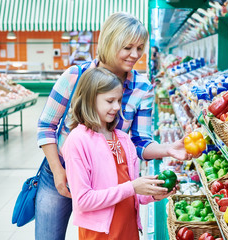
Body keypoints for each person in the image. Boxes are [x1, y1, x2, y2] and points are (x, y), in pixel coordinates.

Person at [36, 12, 191, 240]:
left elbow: (139, 142)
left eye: (139, 48)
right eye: (128, 47)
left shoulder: (142, 88)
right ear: (110, 42)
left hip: (104, 178)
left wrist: (168, 150)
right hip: (60, 169)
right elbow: (46, 126)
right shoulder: (75, 76)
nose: (135, 55)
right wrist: (58, 172)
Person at [61, 67, 173, 239]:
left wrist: (153, 193)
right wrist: (132, 187)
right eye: (110, 100)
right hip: (100, 234)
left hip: (128, 229)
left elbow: (134, 194)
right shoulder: (77, 141)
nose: (116, 107)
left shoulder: (122, 139)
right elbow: (83, 200)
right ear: (90, 100)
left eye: (119, 100)